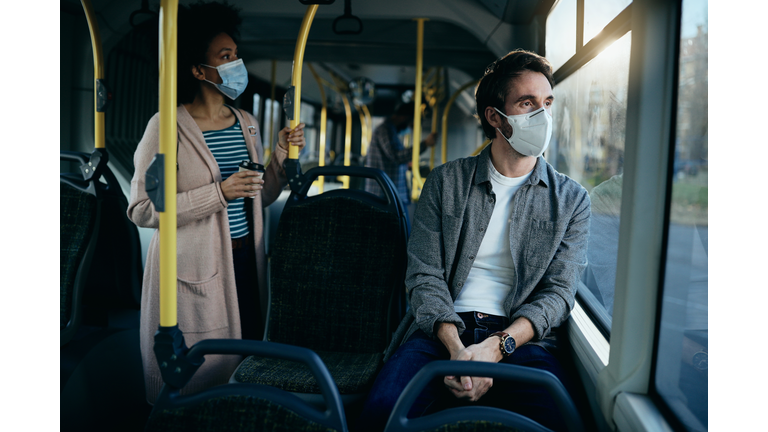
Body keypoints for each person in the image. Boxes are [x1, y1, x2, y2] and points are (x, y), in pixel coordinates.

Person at [358, 50, 590, 432]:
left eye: (547, 103)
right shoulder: (445, 183)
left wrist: (497, 347)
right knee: (382, 412)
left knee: (558, 421)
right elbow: (424, 277)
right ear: (495, 117)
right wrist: (458, 350)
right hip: (441, 332)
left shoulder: (571, 200)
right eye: (527, 104)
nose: (543, 117)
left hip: (521, 339)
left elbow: (558, 294)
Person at [127, 1, 305, 405]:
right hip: (192, 268)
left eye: (236, 54)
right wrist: (218, 193)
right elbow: (143, 208)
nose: (235, 64)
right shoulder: (166, 126)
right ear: (197, 69)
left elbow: (260, 197)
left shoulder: (247, 123)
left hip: (245, 260)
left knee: (244, 361)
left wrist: (278, 155)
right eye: (225, 57)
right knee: (199, 374)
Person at [364, 101, 437, 205]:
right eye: (410, 123)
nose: (409, 127)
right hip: (383, 194)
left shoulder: (390, 131)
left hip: (387, 193)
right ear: (403, 118)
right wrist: (424, 144)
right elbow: (396, 156)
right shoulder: (385, 130)